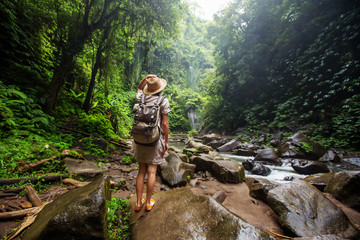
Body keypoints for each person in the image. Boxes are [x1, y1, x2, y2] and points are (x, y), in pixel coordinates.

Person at [134, 74, 170, 212]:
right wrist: (166, 142)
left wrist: (145, 78)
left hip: (139, 138)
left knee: (141, 170)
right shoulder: (163, 101)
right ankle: (148, 202)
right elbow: (165, 124)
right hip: (155, 139)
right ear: (160, 89)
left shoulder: (141, 97)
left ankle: (138, 203)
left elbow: (138, 88)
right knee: (152, 171)